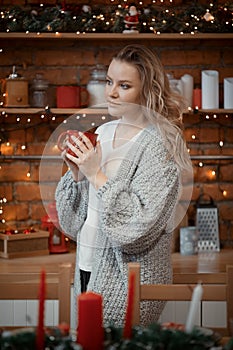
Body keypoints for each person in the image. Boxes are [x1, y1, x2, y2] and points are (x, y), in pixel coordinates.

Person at [55, 44, 192, 327]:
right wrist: (77, 176)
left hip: (129, 281)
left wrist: (96, 175)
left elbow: (137, 230)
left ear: (147, 90)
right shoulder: (101, 134)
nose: (111, 93)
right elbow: (70, 223)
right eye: (109, 82)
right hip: (87, 270)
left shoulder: (161, 146)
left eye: (124, 85)